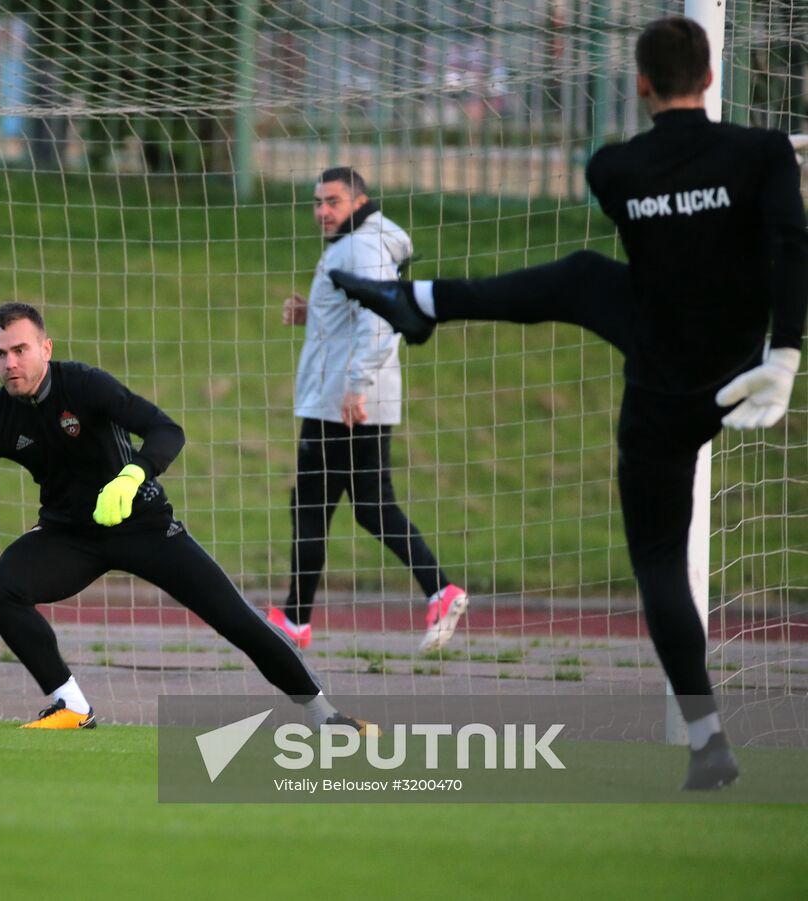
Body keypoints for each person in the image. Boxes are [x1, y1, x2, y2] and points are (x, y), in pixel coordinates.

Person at [329, 16, 807, 790]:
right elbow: (788, 242)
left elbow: (676, 221)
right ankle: (417, 302)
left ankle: (707, 734)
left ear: (641, 83)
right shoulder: (761, 155)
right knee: (596, 278)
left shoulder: (612, 169)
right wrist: (784, 352)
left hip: (661, 374)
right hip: (740, 361)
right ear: (714, 76)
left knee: (658, 557)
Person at [0, 301, 370, 731]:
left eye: (20, 350)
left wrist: (133, 477)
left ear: (45, 347)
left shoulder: (83, 385)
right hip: (71, 536)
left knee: (235, 618)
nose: (9, 363)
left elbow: (165, 429)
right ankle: (72, 704)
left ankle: (324, 716)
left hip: (144, 526)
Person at [270, 167, 466, 652]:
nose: (322, 211)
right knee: (370, 507)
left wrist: (354, 388)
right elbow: (358, 313)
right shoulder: (365, 242)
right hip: (348, 399)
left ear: (359, 202)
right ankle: (440, 590)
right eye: (317, 202)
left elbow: (381, 323)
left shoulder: (361, 246)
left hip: (343, 404)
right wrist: (312, 315)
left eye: (332, 202)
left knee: (314, 504)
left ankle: (295, 620)